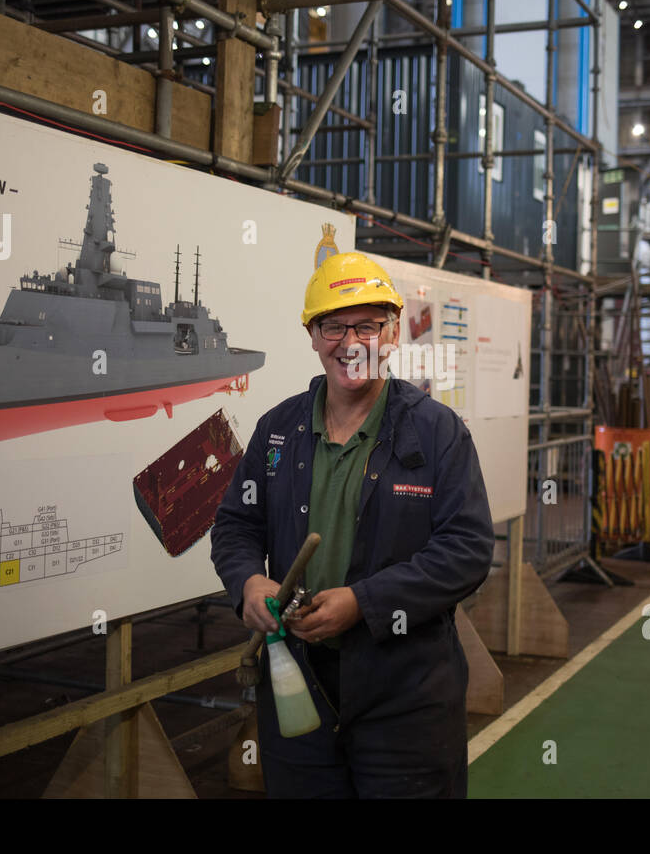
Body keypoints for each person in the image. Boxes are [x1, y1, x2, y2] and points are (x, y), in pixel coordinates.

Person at [210, 251, 494, 798]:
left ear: (391, 334)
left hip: (405, 698)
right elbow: (236, 525)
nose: (350, 341)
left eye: (366, 325)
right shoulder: (278, 431)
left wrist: (364, 603)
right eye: (333, 326)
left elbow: (467, 550)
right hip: (299, 690)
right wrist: (247, 582)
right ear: (313, 336)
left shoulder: (437, 434)